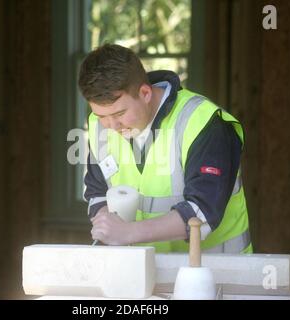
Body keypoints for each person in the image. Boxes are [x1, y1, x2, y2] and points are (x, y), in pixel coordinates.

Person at [78, 44, 252, 253]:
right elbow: (97, 193)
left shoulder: (204, 123)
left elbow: (202, 211)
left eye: (119, 114)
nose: (111, 126)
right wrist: (107, 228)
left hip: (218, 274)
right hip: (142, 273)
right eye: (101, 116)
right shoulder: (100, 126)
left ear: (145, 93)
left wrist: (127, 233)